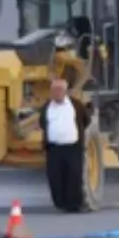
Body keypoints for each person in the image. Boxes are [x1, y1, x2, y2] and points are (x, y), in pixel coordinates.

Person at [36, 77, 91, 211]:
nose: (57, 92)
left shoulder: (76, 105)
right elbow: (43, 123)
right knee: (55, 177)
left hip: (73, 147)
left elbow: (86, 120)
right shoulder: (46, 108)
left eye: (60, 90)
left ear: (65, 91)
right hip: (54, 149)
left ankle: (75, 205)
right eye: (54, 90)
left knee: (74, 176)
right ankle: (60, 203)